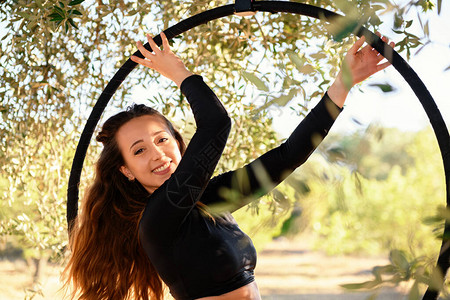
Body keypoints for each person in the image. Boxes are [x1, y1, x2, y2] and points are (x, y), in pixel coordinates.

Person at [64, 32, 395, 300]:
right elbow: (216, 124)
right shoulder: (158, 218)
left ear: (178, 143)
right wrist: (177, 70)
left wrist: (343, 83)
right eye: (139, 151)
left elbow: (287, 156)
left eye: (162, 139)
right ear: (126, 170)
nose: (157, 154)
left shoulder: (209, 199)